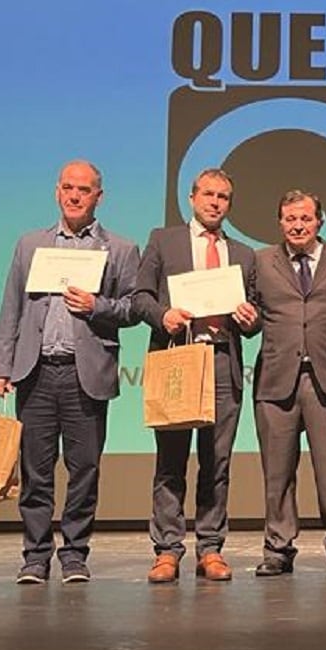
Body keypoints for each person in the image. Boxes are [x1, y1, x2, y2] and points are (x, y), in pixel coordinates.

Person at [0, 161, 139, 584]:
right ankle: (35, 556)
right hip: (35, 372)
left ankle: (74, 554)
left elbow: (133, 307)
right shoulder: (30, 244)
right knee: (35, 470)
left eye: (85, 190)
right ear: (57, 191)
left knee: (84, 469)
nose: (75, 196)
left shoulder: (121, 249)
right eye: (69, 188)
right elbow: (12, 309)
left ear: (99, 197)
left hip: (84, 374)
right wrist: (2, 365)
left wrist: (98, 306)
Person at [132, 167, 260, 583]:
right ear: (192, 198)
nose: (215, 202)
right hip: (178, 355)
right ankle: (167, 549)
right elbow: (139, 298)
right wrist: (162, 315)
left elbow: (254, 317)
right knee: (170, 460)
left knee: (216, 462)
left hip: (223, 359)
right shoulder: (163, 240)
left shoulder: (243, 253)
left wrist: (249, 318)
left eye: (223, 197)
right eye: (208, 194)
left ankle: (210, 548)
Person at [248, 190, 326, 577]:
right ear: (280, 222)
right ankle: (278, 547)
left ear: (319, 221)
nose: (297, 225)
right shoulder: (260, 261)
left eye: (305, 218)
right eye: (290, 219)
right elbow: (250, 315)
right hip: (276, 378)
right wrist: (247, 320)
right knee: (276, 471)